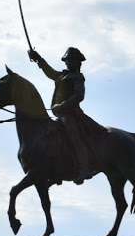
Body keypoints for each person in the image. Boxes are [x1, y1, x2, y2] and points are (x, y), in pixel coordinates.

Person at [28, 46, 93, 184]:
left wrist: (61, 105)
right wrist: (38, 58)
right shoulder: (61, 75)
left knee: (74, 137)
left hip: (71, 115)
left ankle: (84, 168)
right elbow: (49, 71)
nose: (68, 63)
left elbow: (79, 96)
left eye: (71, 60)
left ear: (78, 63)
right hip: (60, 116)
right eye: (67, 60)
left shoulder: (78, 77)